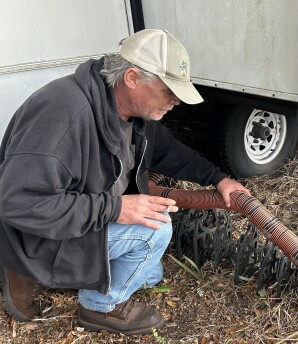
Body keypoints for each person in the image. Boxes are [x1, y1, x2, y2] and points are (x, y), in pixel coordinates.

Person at [0, 29, 250, 334]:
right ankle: (97, 306)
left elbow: (171, 152)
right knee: (155, 232)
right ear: (132, 77)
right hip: (33, 234)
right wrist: (115, 208)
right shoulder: (64, 115)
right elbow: (18, 203)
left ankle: (74, 271)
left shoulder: (131, 112)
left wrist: (218, 178)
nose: (175, 101)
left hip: (76, 219)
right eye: (168, 90)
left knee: (150, 275)